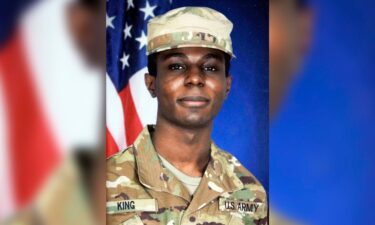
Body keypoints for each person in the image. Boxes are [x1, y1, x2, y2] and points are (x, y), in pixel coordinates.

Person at [106, 7, 268, 225]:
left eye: (210, 68)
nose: (194, 78)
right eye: (176, 66)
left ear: (227, 86)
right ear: (151, 83)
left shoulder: (251, 193)